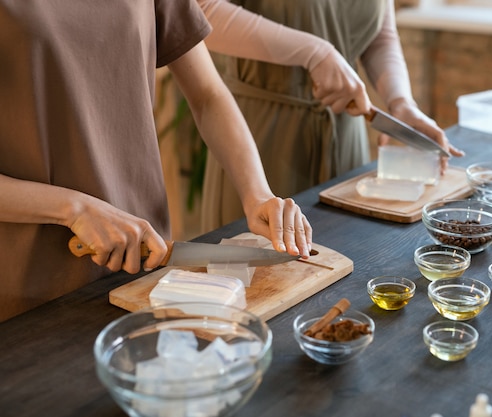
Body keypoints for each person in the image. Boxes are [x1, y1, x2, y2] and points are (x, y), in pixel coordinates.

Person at [0, 1, 312, 322]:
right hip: (30, 285)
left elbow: (207, 94)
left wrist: (256, 193)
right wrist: (74, 208)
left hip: (148, 262)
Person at [197, 0, 464, 230]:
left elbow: (380, 35)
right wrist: (313, 52)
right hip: (261, 139)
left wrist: (400, 101)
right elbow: (201, 11)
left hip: (346, 140)